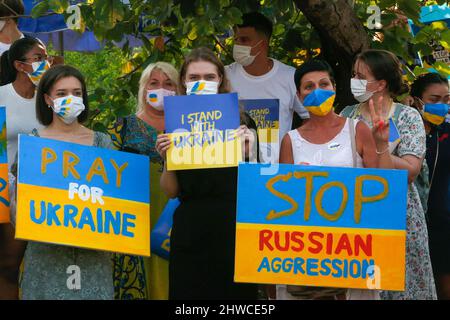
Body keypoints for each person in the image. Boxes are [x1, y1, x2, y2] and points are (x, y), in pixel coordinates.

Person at [157, 47, 259, 300]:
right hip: (190, 230)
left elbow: (257, 186)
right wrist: (167, 159)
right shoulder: (174, 125)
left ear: (220, 80)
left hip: (233, 228)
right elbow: (171, 190)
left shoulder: (243, 121)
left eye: (209, 77)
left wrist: (249, 153)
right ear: (183, 81)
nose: (201, 83)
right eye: (194, 78)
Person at [279, 59, 383, 300]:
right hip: (308, 251)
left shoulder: (357, 129)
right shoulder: (290, 140)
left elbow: (379, 187)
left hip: (354, 248)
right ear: (299, 94)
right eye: (308, 87)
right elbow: (286, 203)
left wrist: (381, 144)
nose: (317, 91)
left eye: (323, 84)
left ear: (334, 87)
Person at [9, 64, 114, 299]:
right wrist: (20, 212)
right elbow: (18, 209)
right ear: (47, 99)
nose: (71, 98)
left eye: (77, 93)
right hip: (46, 260)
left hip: (93, 261)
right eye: (61, 93)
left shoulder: (103, 143)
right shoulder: (31, 145)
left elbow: (115, 203)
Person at [340, 49, 437, 300]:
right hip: (355, 214)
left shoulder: (407, 116)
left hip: (399, 216)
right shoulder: (346, 115)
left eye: (360, 76)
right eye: (353, 75)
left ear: (381, 83)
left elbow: (411, 170)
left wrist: (376, 146)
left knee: (401, 287)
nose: (354, 81)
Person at [108, 61, 179, 300]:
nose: (162, 88)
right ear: (143, 88)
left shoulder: (192, 129)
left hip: (177, 223)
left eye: (169, 84)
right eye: (154, 83)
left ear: (179, 90)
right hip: (133, 225)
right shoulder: (122, 127)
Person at [225, 12, 309, 164]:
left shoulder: (290, 77)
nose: (238, 45)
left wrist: (296, 151)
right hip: (234, 169)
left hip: (277, 171)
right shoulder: (224, 76)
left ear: (262, 44)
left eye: (244, 40)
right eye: (236, 40)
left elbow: (310, 117)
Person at [0, 36, 47, 299]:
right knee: (9, 264)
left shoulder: (50, 100)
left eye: (46, 57)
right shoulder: (1, 95)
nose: (45, 63)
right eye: (38, 58)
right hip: (6, 192)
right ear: (20, 65)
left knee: (40, 264)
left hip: (44, 191)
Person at [409, 73, 450, 300]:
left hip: (442, 222)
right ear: (417, 100)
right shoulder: (403, 131)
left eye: (447, 99)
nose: (442, 106)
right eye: (434, 100)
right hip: (412, 222)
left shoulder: (446, 131)